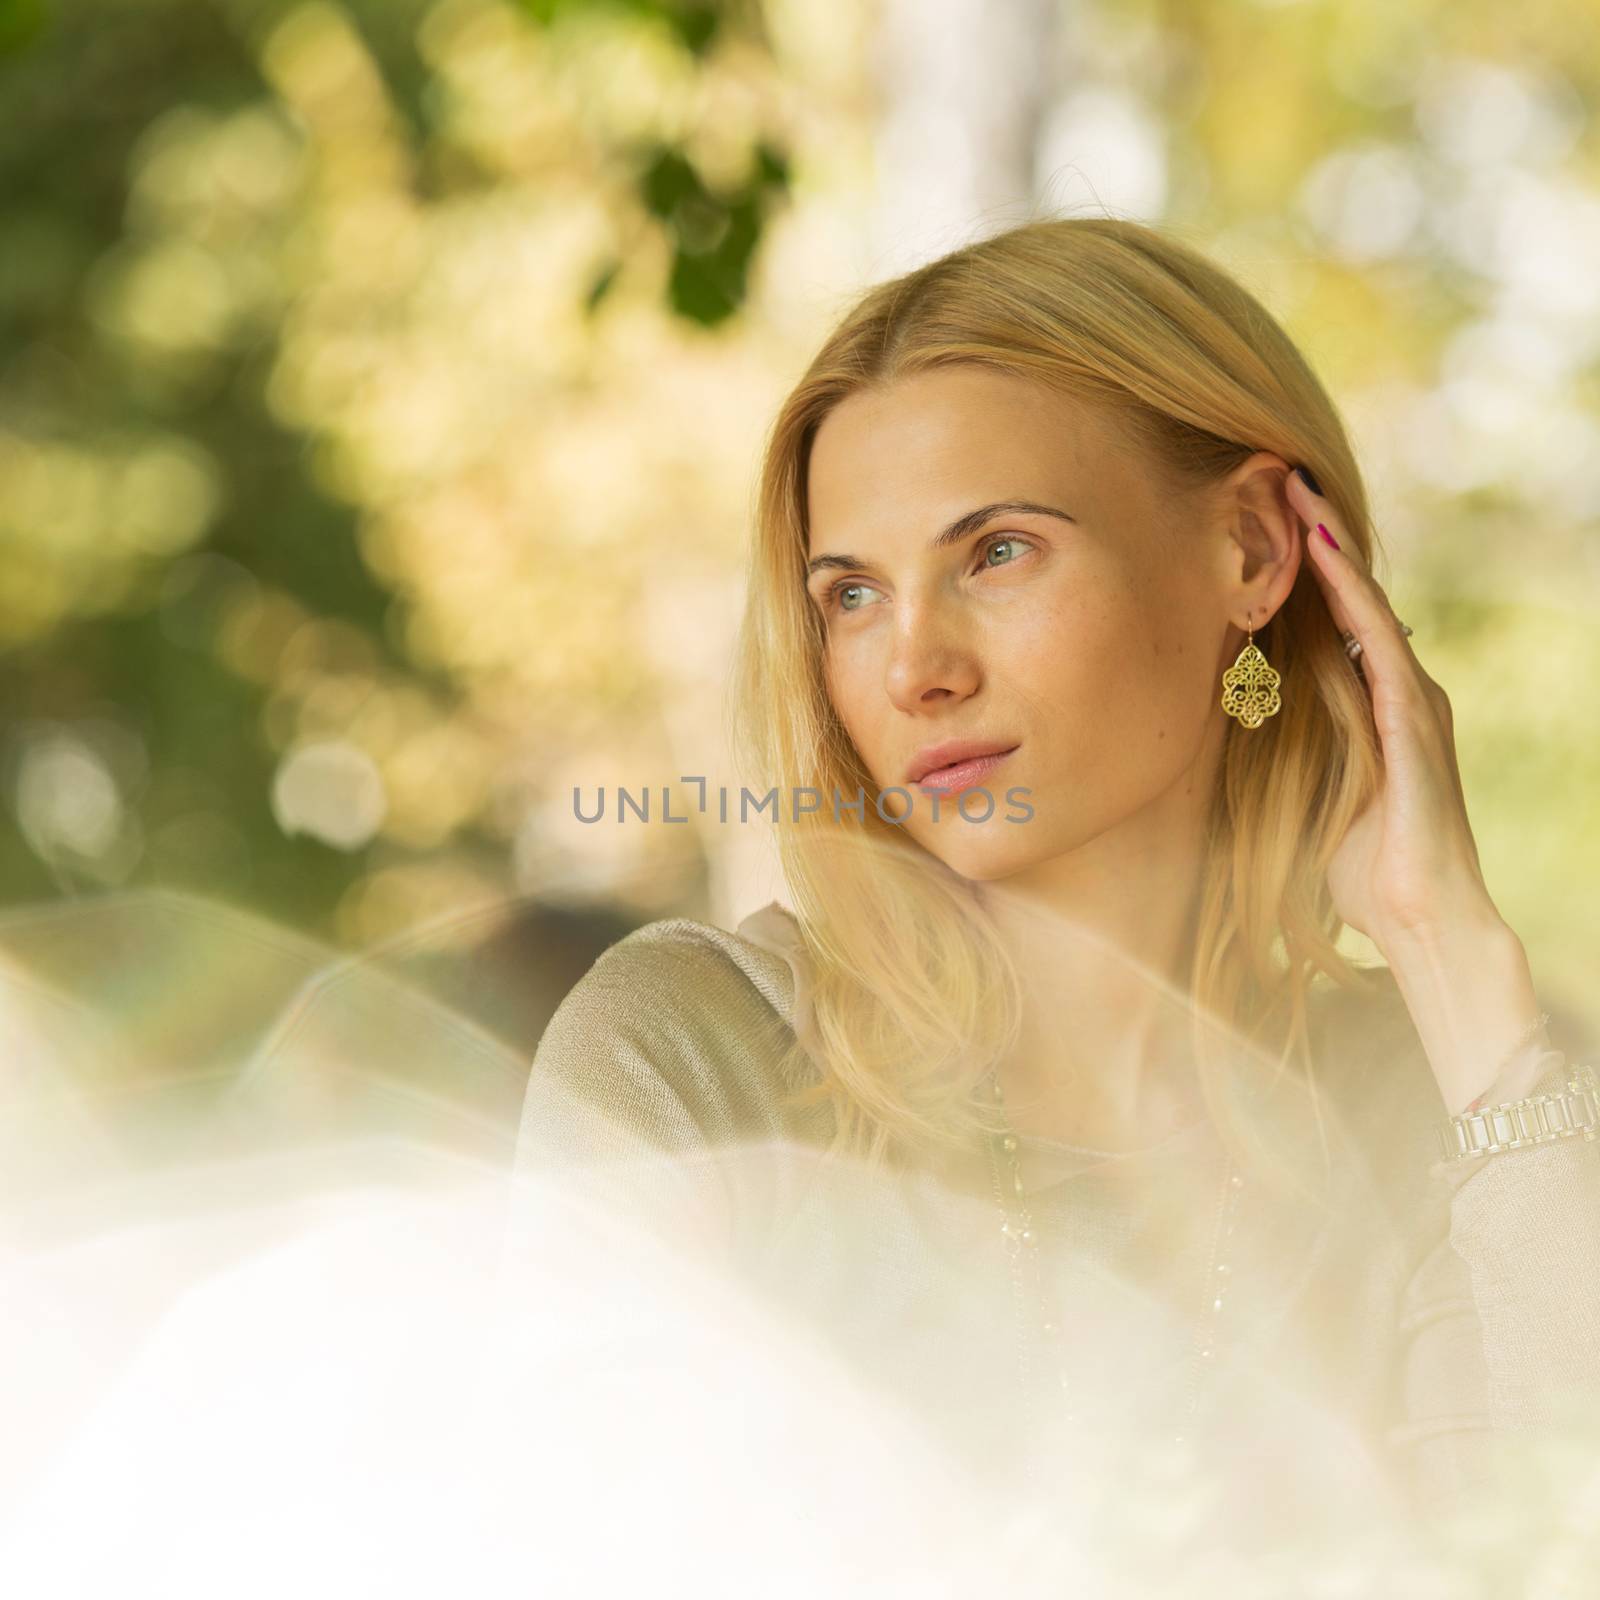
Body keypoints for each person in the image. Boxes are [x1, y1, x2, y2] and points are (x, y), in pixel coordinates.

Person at [512, 217, 1600, 1581]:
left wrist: (1452, 951)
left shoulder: (1453, 1112)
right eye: (851, 594)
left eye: (998, 553)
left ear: (1256, 551)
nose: (914, 669)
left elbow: (1555, 1544)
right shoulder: (696, 1054)